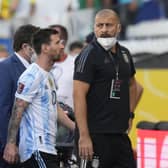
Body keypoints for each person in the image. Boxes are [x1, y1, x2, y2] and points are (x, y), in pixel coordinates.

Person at [73, 9, 138, 167]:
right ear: (94, 28)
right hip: (94, 135)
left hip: (119, 135)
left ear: (118, 28)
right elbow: (78, 94)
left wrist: (130, 114)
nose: (103, 30)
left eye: (108, 25)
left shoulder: (125, 53)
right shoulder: (88, 55)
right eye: (99, 25)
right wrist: (84, 136)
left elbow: (133, 85)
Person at [3, 28, 75, 168]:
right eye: (57, 42)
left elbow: (56, 108)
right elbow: (17, 109)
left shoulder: (49, 75)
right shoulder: (31, 75)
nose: (62, 46)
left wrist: (77, 130)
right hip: (35, 149)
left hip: (49, 149)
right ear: (45, 48)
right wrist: (10, 144)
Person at [0, 24, 38, 168]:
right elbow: (3, 110)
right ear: (26, 46)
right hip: (12, 149)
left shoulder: (34, 69)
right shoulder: (6, 68)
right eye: (39, 44)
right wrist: (9, 144)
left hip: (30, 145)